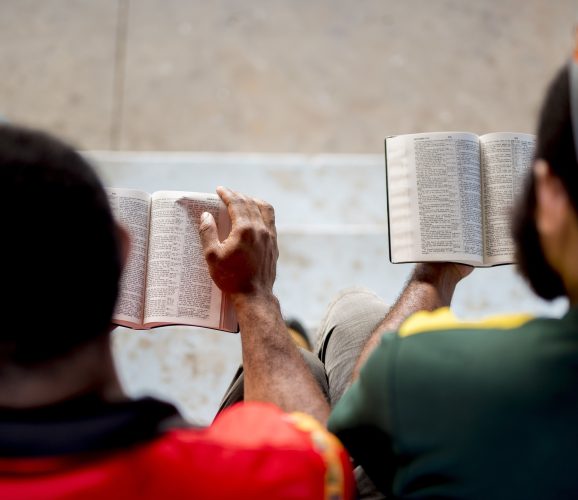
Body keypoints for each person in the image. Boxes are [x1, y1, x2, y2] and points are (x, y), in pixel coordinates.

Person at [0, 125, 354, 499]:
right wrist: (254, 297)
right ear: (124, 253)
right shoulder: (251, 473)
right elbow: (321, 460)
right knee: (304, 360)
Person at [325, 54, 578, 498]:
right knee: (353, 315)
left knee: (334, 328)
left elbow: (342, 443)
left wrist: (431, 279)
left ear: (549, 197)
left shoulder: (430, 365)